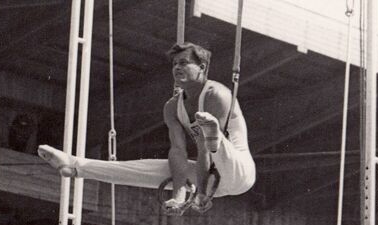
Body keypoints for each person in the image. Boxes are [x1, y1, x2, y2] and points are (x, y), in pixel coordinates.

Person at [37, 42, 256, 215]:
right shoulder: (172, 107)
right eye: (174, 64)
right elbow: (178, 151)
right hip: (211, 178)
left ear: (202, 67)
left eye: (184, 62)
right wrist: (179, 192)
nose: (177, 67)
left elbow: (203, 152)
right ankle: (75, 166)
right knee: (152, 169)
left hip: (238, 171)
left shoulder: (216, 95)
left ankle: (214, 134)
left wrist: (201, 193)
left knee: (212, 143)